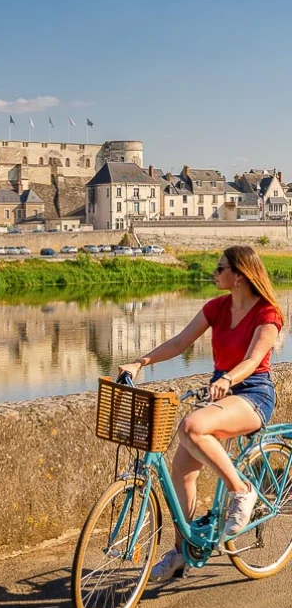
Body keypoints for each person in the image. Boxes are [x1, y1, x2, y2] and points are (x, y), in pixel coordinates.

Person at [119, 245, 283, 582]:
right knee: (181, 471)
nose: (214, 272)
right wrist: (139, 363)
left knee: (192, 427)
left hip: (252, 392)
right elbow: (179, 343)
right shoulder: (216, 308)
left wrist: (228, 378)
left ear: (239, 276)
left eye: (220, 268)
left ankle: (242, 490)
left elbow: (253, 361)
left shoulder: (267, 314)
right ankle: (183, 551)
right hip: (220, 391)